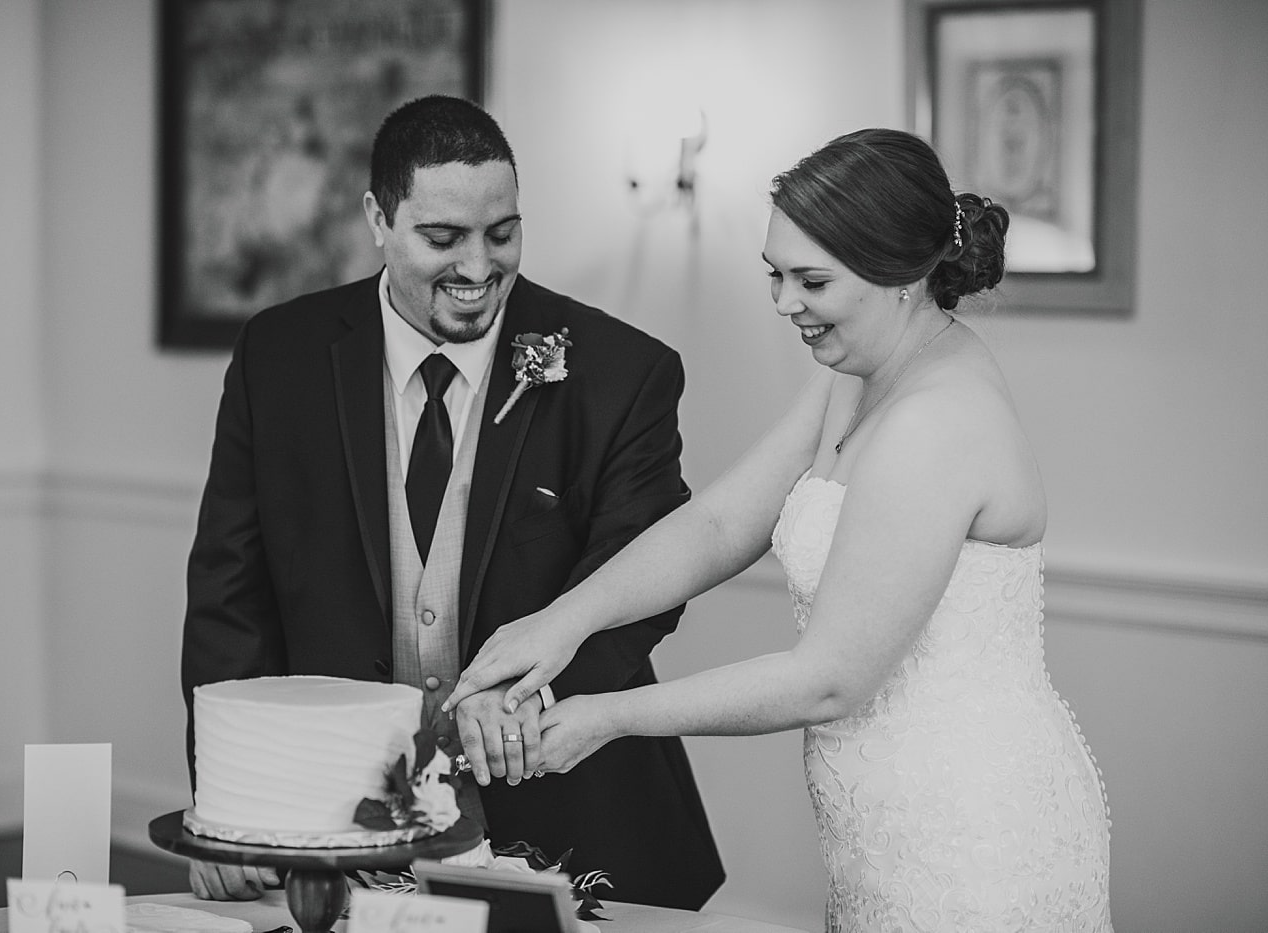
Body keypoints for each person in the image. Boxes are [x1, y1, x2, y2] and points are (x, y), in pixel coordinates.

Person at [446, 128, 1113, 930]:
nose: (784, 303)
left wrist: (606, 715)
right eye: (776, 274)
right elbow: (724, 522)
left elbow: (829, 676)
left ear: (899, 276)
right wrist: (563, 621)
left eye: (812, 280)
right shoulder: (859, 379)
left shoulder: (935, 424)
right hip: (883, 829)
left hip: (973, 838)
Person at [180, 95, 724, 909]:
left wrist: (528, 696)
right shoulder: (279, 357)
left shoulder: (622, 372)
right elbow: (231, 599)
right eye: (443, 238)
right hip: (340, 829)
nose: (477, 267)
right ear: (377, 217)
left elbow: (646, 578)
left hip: (576, 825)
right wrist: (228, 803)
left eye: (501, 232)